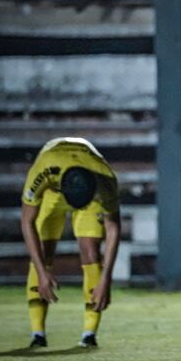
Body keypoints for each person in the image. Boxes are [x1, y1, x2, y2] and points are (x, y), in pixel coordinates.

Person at [20, 137, 121, 348]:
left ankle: (89, 334)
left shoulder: (105, 179)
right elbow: (27, 221)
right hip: (52, 192)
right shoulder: (44, 169)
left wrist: (106, 278)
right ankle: (37, 333)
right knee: (43, 250)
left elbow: (113, 227)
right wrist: (41, 272)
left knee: (91, 251)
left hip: (89, 194)